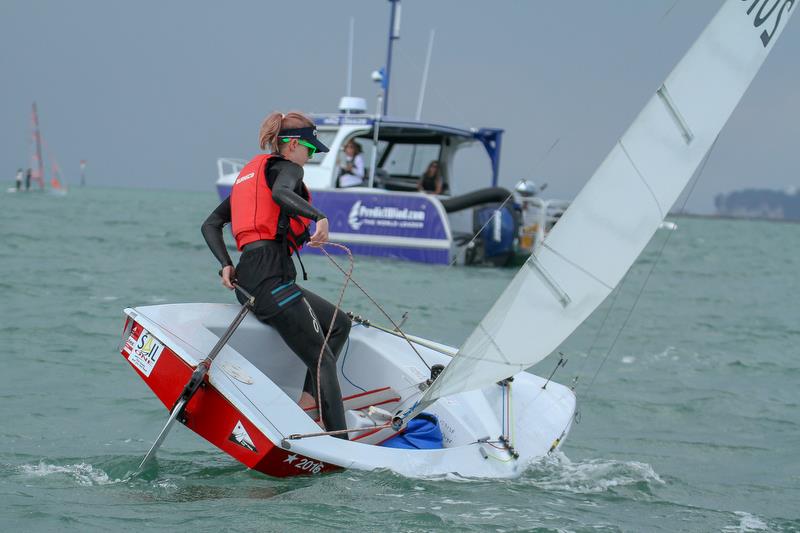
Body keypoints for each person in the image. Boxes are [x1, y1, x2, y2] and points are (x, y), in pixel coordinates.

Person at [201, 111, 350, 439]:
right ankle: (341, 441)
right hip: (270, 280)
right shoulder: (288, 169)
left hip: (249, 280)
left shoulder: (253, 176)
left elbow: (210, 223)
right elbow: (283, 194)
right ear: (293, 144)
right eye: (310, 150)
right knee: (321, 357)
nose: (310, 158)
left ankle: (309, 403)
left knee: (339, 324)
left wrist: (226, 264)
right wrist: (318, 217)